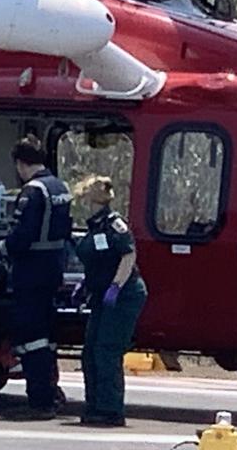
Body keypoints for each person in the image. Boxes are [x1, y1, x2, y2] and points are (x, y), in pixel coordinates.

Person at [0, 136, 73, 420]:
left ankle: (39, 401)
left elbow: (22, 237)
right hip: (53, 269)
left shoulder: (32, 192)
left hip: (31, 271)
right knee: (46, 337)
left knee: (31, 337)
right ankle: (49, 391)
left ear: (21, 164)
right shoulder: (61, 187)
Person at [73, 175, 147, 427]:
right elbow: (98, 260)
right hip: (101, 295)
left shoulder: (115, 225)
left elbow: (128, 255)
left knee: (107, 350)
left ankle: (110, 409)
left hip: (123, 296)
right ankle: (94, 403)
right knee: (91, 350)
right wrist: (87, 283)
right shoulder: (95, 226)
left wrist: (116, 286)